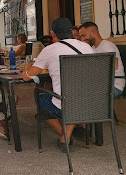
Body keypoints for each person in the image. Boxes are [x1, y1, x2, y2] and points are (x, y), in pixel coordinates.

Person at [22, 18, 94, 152]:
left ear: (52, 33)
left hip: (66, 105)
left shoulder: (50, 49)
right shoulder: (86, 47)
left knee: (41, 98)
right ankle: (70, 132)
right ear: (72, 32)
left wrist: (28, 67)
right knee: (74, 94)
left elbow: (27, 77)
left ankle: (65, 135)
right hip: (90, 104)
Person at [79, 21, 125, 97]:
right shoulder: (92, 48)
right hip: (101, 87)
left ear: (93, 32)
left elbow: (113, 67)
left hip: (115, 87)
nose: (82, 39)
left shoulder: (107, 46)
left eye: (84, 36)